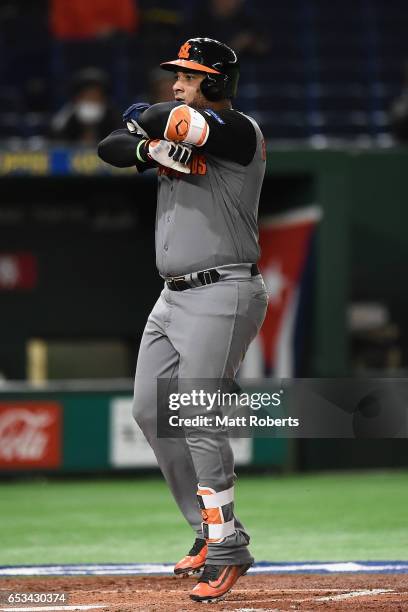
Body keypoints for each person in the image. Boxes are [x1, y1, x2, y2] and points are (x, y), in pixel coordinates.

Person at [98, 37, 268, 603]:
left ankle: (226, 546)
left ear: (216, 84)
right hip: (170, 298)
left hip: (224, 289)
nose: (177, 82)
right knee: (150, 411)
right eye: (178, 74)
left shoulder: (239, 133)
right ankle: (205, 527)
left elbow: (152, 118)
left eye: (191, 76)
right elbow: (110, 146)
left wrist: (148, 130)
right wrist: (147, 149)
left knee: (198, 414)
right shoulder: (179, 132)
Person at [51, 68, 121, 144]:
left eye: (95, 97)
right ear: (77, 98)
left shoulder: (113, 117)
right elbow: (55, 140)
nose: (91, 101)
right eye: (87, 97)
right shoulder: (66, 117)